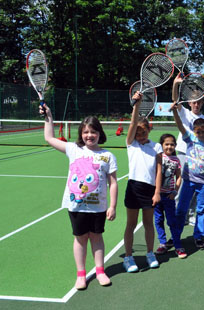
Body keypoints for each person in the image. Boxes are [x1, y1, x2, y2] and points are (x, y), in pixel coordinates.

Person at [40, 104, 117, 289]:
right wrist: (48, 115)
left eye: (93, 131)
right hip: (76, 206)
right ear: (81, 134)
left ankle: (100, 271)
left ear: (100, 133)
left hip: (98, 207)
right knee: (80, 238)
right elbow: (49, 137)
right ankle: (81, 275)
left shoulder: (108, 156)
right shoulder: (73, 149)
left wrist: (112, 206)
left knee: (97, 238)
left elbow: (113, 182)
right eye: (85, 132)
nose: (89, 135)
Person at [171, 102, 204, 257]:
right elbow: (180, 126)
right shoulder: (190, 139)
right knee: (181, 209)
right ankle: (176, 235)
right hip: (189, 181)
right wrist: (175, 113)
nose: (201, 134)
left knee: (201, 210)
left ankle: (198, 236)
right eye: (198, 132)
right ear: (194, 131)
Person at [123, 92, 161, 272]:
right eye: (137, 133)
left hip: (149, 190)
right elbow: (132, 124)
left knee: (148, 224)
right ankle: (129, 258)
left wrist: (157, 192)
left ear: (149, 129)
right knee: (130, 224)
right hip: (133, 188)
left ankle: (150, 253)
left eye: (143, 132)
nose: (140, 135)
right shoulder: (131, 144)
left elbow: (159, 170)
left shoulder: (156, 147)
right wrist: (136, 106)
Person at [172, 74, 204, 227]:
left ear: (202, 102)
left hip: (199, 158)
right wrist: (175, 84)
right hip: (183, 153)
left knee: (197, 187)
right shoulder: (185, 113)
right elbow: (175, 102)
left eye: (199, 102)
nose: (196, 104)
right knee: (182, 184)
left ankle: (191, 214)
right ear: (189, 102)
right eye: (194, 102)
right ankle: (178, 212)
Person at [152, 134, 181, 255]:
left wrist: (175, 191)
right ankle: (162, 243)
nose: (169, 146)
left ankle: (177, 244)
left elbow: (179, 177)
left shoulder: (176, 160)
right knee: (158, 220)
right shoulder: (157, 157)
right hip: (157, 196)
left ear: (175, 146)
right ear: (161, 145)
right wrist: (154, 193)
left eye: (172, 144)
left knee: (171, 221)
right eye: (166, 144)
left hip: (169, 196)